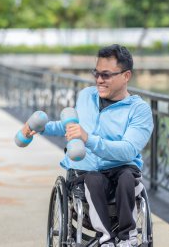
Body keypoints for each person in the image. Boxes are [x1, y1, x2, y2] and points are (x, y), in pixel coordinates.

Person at [22, 44, 154, 247]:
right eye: (97, 73)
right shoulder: (86, 96)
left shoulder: (139, 110)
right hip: (86, 171)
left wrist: (88, 139)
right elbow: (69, 126)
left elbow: (128, 150)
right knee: (92, 180)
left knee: (127, 178)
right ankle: (106, 238)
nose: (99, 80)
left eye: (106, 75)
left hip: (123, 169)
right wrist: (40, 128)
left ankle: (128, 237)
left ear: (126, 76)